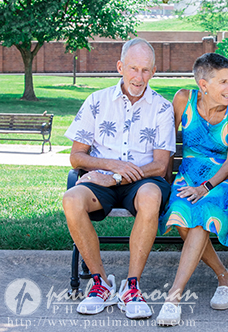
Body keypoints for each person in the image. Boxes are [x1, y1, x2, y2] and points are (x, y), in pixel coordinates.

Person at [62, 38, 175, 319]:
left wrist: (116, 177)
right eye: (133, 68)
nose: (139, 77)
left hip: (142, 181)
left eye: (146, 70)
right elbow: (77, 157)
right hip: (100, 178)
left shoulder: (161, 108)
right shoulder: (96, 101)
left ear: (154, 71)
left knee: (150, 197)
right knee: (71, 199)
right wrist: (112, 166)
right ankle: (100, 283)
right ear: (120, 67)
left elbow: (160, 165)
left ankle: (132, 287)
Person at [156, 53, 228, 326]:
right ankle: (225, 277)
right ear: (203, 84)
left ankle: (173, 298)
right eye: (223, 81)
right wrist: (164, 181)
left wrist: (205, 188)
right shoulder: (183, 99)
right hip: (186, 178)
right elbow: (166, 143)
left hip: (223, 182)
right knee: (181, 217)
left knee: (200, 218)